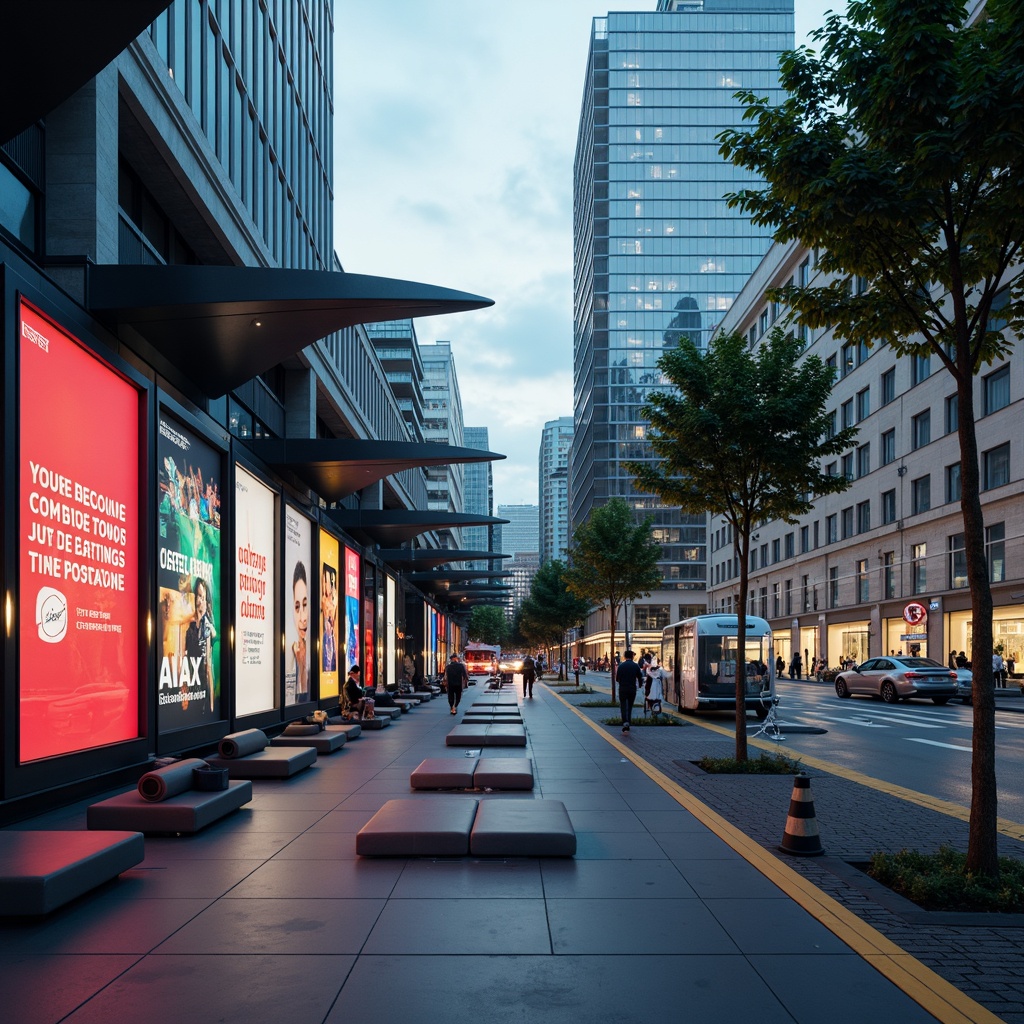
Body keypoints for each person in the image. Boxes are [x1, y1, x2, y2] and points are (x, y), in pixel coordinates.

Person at [184, 576, 216, 714]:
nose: (199, 601)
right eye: (198, 596)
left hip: (203, 688)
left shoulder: (207, 628)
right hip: (191, 687)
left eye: (203, 598)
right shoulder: (189, 625)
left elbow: (208, 667)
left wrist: (212, 706)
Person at [290, 561, 309, 703]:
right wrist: (300, 664)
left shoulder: (312, 653)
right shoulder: (293, 653)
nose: (302, 618)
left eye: (305, 605)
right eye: (297, 607)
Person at [616, 649, 644, 734]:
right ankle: (629, 722)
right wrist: (639, 685)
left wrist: (621, 682)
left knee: (623, 705)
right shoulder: (635, 666)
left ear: (624, 656)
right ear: (632, 656)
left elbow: (617, 678)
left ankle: (625, 722)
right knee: (630, 706)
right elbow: (640, 677)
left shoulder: (621, 666)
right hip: (632, 689)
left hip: (623, 688)